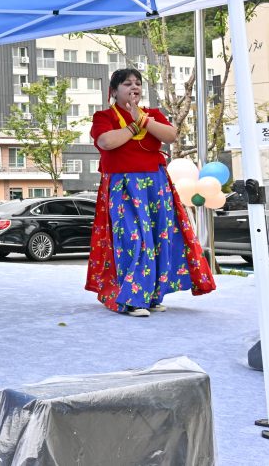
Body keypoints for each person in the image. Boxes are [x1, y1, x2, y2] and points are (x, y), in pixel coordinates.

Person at [85, 68, 215, 317]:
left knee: (157, 239)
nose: (134, 87)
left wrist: (143, 120)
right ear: (114, 91)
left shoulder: (152, 115)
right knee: (132, 238)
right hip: (123, 185)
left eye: (137, 83)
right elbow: (106, 142)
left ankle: (151, 295)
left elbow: (171, 135)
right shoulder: (104, 116)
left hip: (155, 185)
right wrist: (135, 125)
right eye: (127, 84)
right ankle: (132, 298)